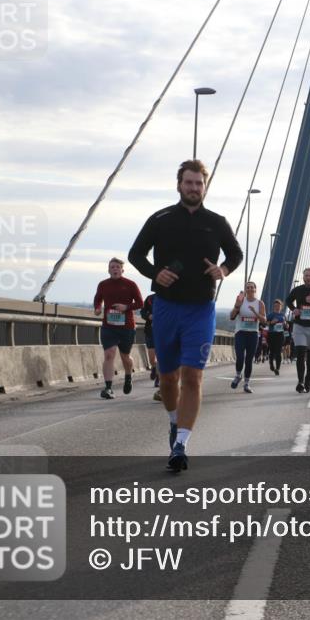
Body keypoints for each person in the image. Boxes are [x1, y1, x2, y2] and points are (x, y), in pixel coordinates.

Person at [129, 159, 243, 472]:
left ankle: (181, 442)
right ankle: (173, 421)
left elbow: (235, 253)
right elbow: (135, 254)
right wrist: (155, 274)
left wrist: (223, 269)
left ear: (205, 187)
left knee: (193, 376)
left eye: (199, 183)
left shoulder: (217, 222)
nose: (194, 188)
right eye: (189, 182)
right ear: (179, 185)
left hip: (201, 310)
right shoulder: (161, 219)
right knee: (168, 378)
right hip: (166, 308)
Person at [93, 258, 144, 399]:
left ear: (122, 270)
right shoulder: (103, 284)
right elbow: (98, 299)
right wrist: (97, 308)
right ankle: (108, 388)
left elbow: (140, 303)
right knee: (109, 354)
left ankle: (128, 376)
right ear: (108, 270)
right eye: (112, 267)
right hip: (108, 326)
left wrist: (126, 307)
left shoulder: (130, 284)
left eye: (117, 267)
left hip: (126, 327)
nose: (115, 269)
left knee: (125, 357)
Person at [229, 282, 266, 393]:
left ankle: (246, 383)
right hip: (240, 332)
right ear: (245, 290)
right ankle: (238, 375)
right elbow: (231, 317)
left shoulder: (260, 303)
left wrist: (255, 312)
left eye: (252, 287)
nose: (250, 289)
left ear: (255, 289)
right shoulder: (241, 301)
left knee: (249, 359)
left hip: (253, 334)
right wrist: (236, 306)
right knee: (240, 356)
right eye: (247, 287)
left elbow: (264, 320)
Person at [142, 293, 163, 402]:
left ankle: (158, 379)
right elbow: (142, 312)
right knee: (152, 358)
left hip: (163, 332)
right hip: (150, 331)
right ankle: (154, 368)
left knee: (160, 357)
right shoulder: (150, 299)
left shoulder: (170, 297)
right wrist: (148, 316)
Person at [267, 299, 286, 375]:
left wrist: (286, 325)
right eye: (275, 306)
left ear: (281, 307)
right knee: (272, 351)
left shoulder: (283, 315)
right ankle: (271, 364)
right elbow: (265, 323)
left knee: (278, 352)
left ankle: (277, 368)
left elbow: (286, 325)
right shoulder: (271, 315)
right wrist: (271, 322)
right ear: (274, 307)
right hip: (272, 334)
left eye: (279, 306)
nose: (277, 307)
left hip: (280, 335)